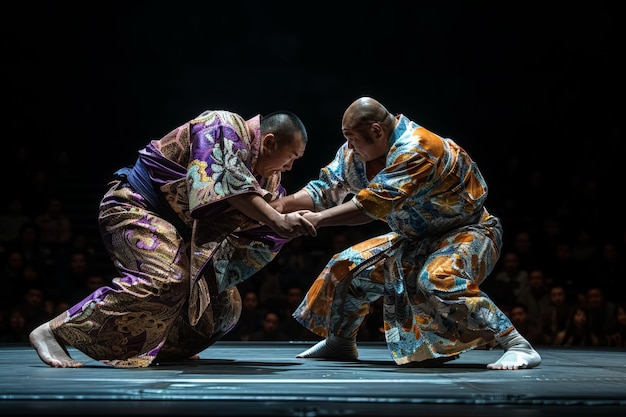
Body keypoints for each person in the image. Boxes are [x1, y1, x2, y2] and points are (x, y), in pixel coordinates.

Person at [29, 108, 315, 368]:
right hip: (135, 204)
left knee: (224, 308)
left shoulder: (269, 181)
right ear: (269, 142)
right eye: (292, 157)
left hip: (181, 235)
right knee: (168, 278)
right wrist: (277, 219)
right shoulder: (223, 125)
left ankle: (160, 347)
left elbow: (263, 217)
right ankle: (54, 331)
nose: (290, 167)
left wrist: (293, 220)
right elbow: (226, 183)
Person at [272, 97, 541, 370]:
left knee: (438, 278)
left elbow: (372, 205)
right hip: (415, 238)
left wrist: (317, 220)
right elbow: (324, 188)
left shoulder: (419, 148)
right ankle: (340, 343)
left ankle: (516, 344)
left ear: (377, 131)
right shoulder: (354, 153)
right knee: (347, 266)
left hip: (468, 232)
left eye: (353, 138)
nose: (349, 146)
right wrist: (282, 204)